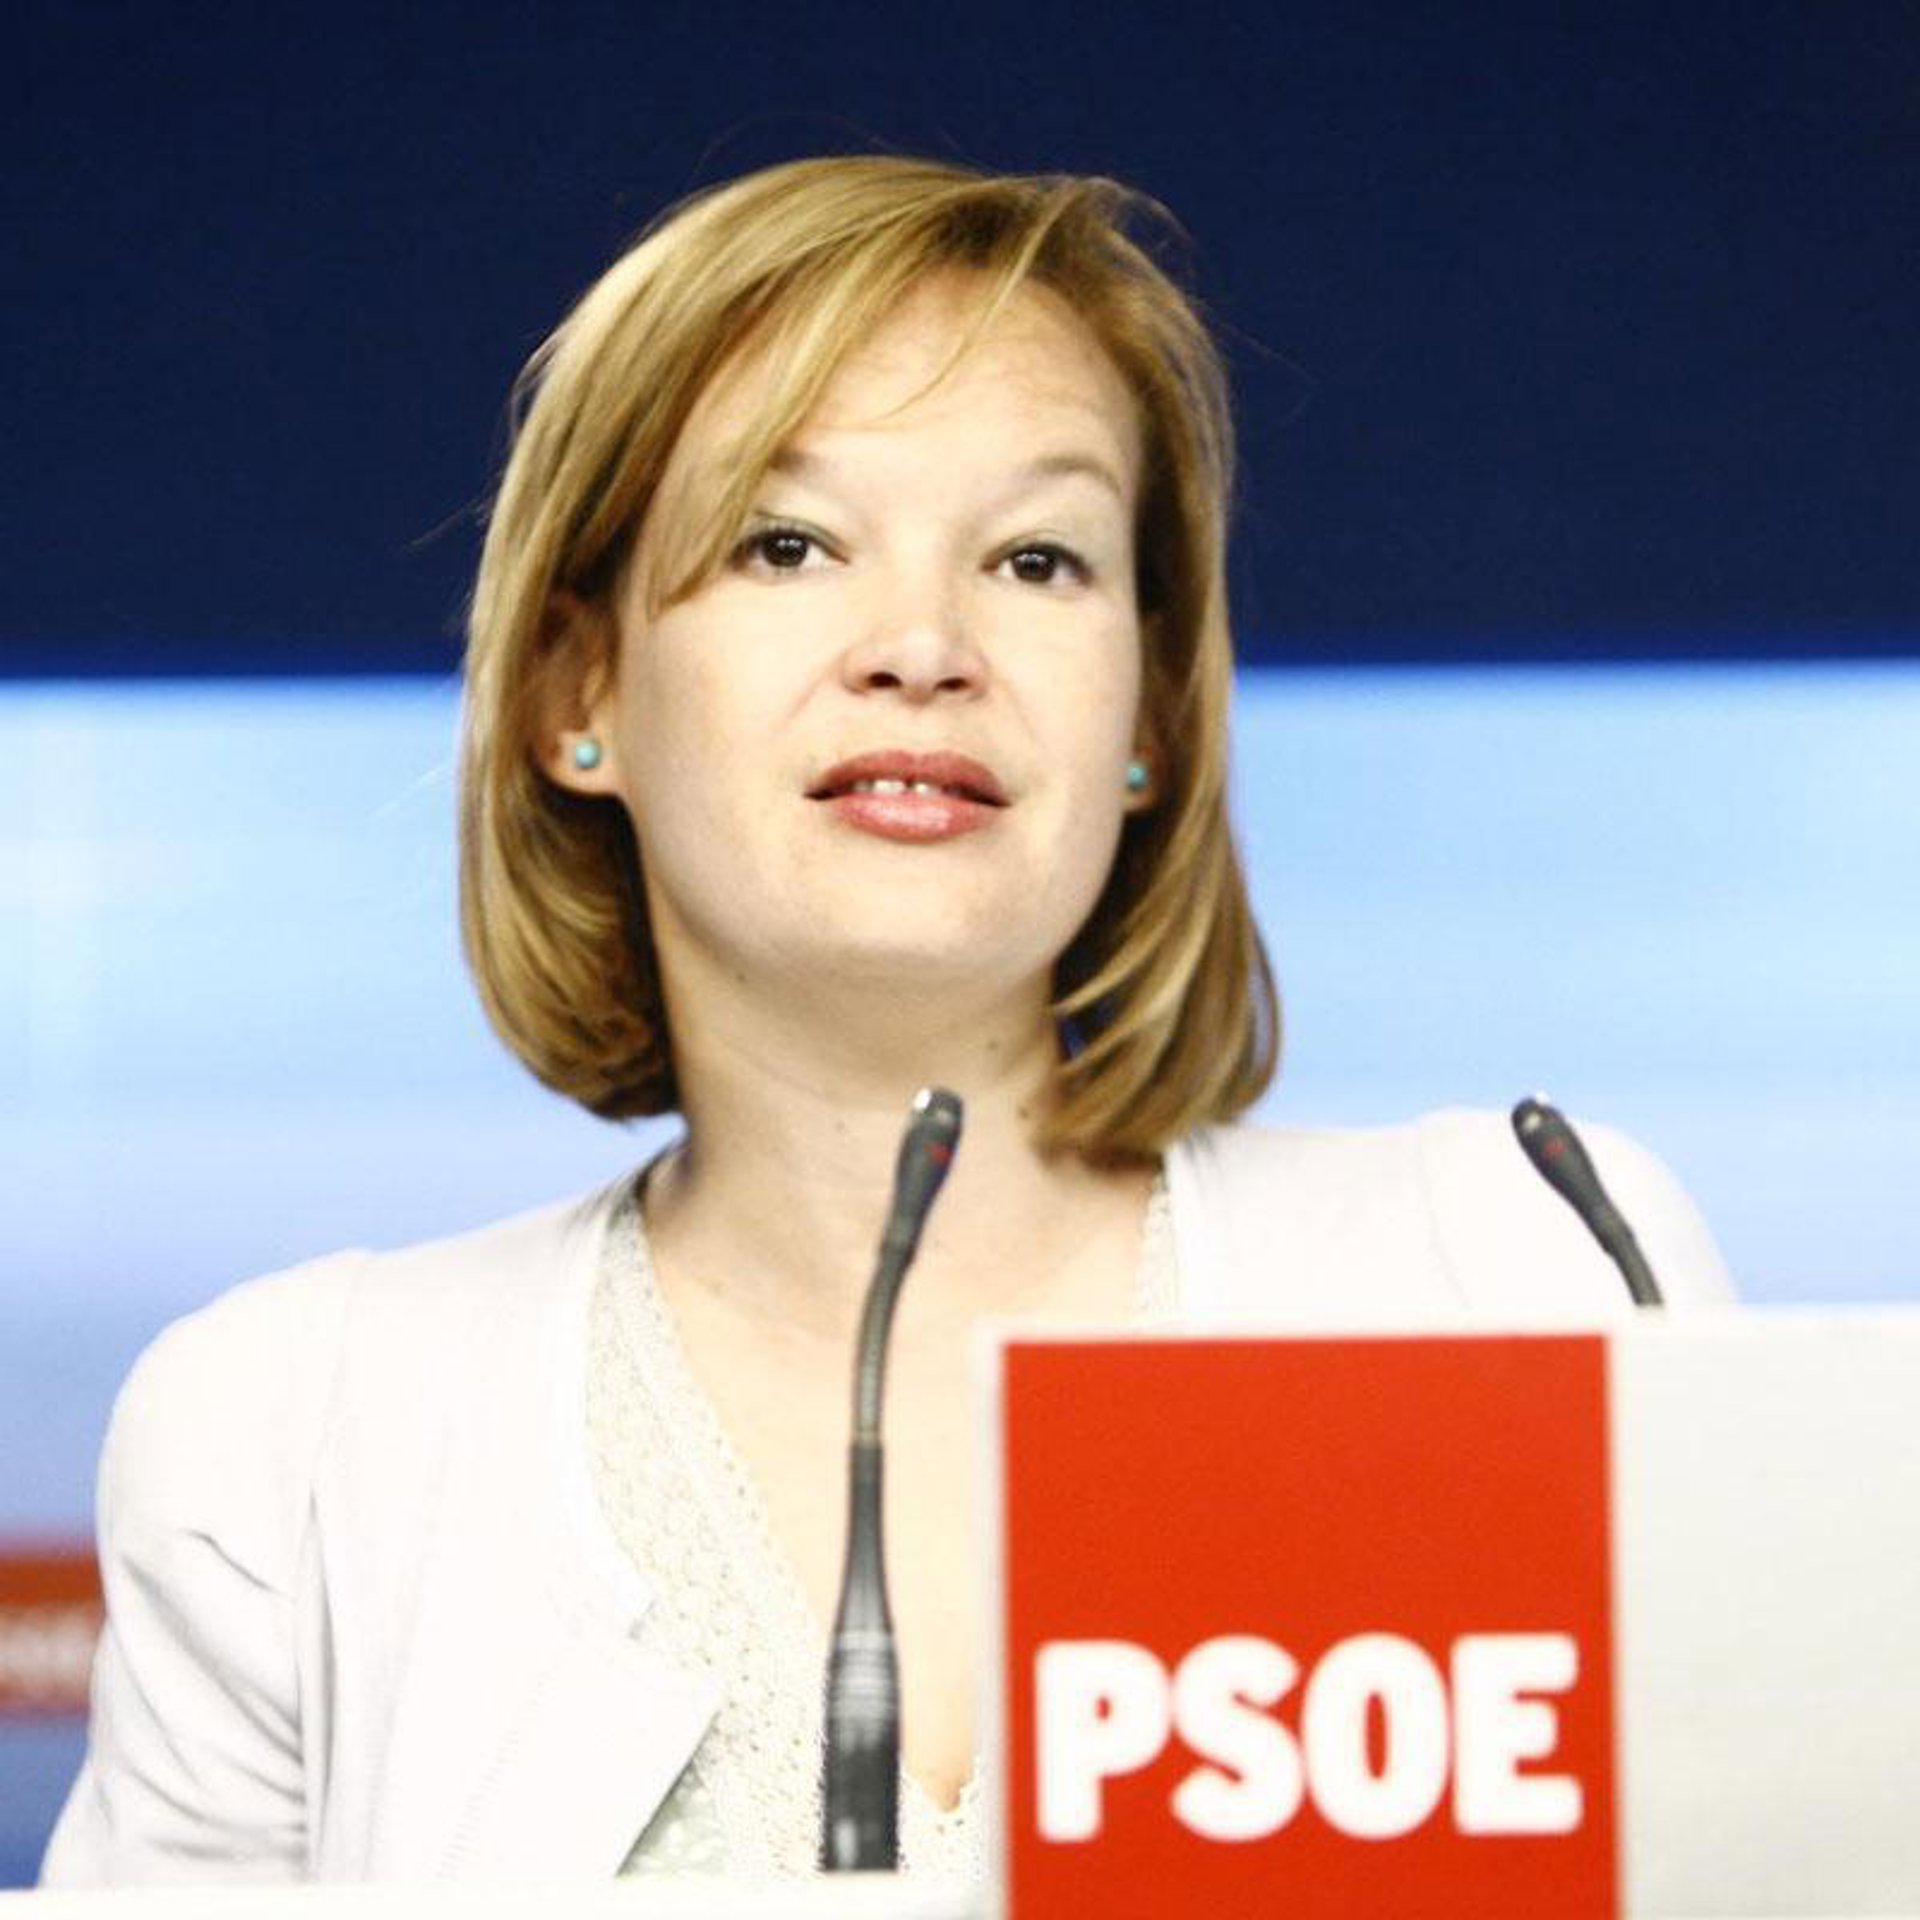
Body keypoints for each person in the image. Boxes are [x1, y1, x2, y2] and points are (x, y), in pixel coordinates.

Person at [41, 153, 1732, 1888]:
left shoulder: (1523, 1275)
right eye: (788, 544)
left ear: (1148, 716)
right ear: (576, 691)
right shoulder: (290, 1439)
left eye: (1038, 559)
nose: (923, 645)